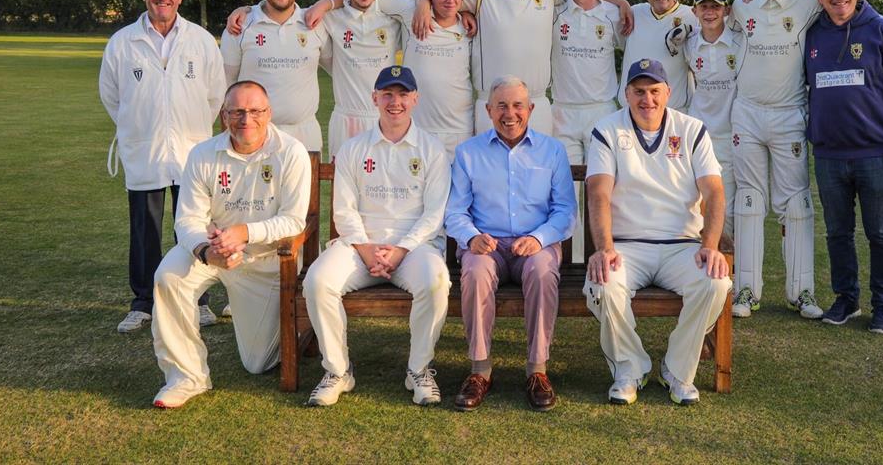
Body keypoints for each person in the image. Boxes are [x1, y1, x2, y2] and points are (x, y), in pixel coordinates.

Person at [150, 81, 311, 408]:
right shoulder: (202, 154)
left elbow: (294, 220)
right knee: (168, 276)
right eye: (237, 111)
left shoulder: (290, 152)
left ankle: (274, 322)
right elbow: (188, 219)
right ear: (223, 115)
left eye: (255, 111)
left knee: (257, 364)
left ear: (269, 113)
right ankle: (186, 376)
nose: (246, 119)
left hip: (265, 262)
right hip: (214, 251)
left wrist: (244, 233)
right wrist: (208, 252)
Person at [584, 59, 731, 407]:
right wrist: (604, 248)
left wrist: (710, 246)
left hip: (682, 245)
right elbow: (599, 193)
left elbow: (714, 193)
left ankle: (677, 370)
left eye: (654, 91)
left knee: (716, 282)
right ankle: (629, 369)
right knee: (603, 284)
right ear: (626, 94)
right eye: (639, 92)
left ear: (668, 92)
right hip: (627, 246)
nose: (646, 99)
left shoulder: (692, 129)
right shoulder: (607, 129)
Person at [302, 65, 452, 406]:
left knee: (435, 281)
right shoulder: (354, 148)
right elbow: (344, 209)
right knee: (317, 281)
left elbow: (434, 214)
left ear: (415, 99)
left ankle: (418, 369)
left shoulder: (432, 150)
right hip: (360, 247)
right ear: (375, 98)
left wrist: (401, 250)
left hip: (414, 249)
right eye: (387, 94)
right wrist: (367, 250)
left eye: (402, 94)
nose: (394, 102)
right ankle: (338, 371)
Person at [99, 0, 226, 333]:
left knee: (192, 227)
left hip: (191, 151)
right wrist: (138, 126)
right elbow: (112, 96)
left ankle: (197, 299)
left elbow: (215, 94)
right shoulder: (123, 42)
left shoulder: (200, 40)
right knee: (145, 231)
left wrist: (193, 130)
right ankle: (143, 303)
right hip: (146, 152)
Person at [445, 76, 577, 411]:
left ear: (531, 109)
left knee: (544, 271)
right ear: (488, 110)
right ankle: (480, 370)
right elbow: (455, 211)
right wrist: (472, 237)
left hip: (534, 245)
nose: (510, 113)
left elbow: (565, 211)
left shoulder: (552, 151)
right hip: (487, 247)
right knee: (474, 272)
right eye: (501, 105)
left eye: (518, 105)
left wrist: (538, 239)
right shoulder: (468, 153)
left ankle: (537, 370)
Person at [413, 0, 632, 136]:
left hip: (536, 104)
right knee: (492, 174)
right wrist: (424, 1)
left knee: (538, 175)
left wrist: (621, 3)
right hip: (491, 104)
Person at [805, 0, 883, 334]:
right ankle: (846, 299)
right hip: (829, 153)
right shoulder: (811, 33)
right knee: (837, 233)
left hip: (874, 152)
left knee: (881, 233)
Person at [728, 0, 824, 320]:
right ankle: (746, 291)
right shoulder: (742, 5)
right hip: (748, 114)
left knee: (796, 204)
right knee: (749, 202)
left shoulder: (807, 4)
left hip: (788, 115)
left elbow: (844, 1)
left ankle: (802, 292)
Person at [551, 0, 625, 261]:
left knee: (604, 188)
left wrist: (620, 3)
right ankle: (572, 262)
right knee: (567, 192)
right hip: (564, 111)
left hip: (601, 110)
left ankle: (605, 255)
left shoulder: (613, 14)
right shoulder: (553, 8)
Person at [220, 0, 330, 153]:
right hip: (255, 132)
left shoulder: (314, 22)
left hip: (305, 133)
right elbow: (226, 86)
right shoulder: (240, 26)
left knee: (305, 186)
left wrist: (326, 3)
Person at [682, 0, 741, 236]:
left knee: (726, 208)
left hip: (731, 134)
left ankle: (729, 268)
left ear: (726, 10)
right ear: (694, 11)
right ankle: (698, 266)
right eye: (704, 7)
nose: (710, 12)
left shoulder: (739, 40)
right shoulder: (688, 43)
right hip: (699, 134)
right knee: (695, 205)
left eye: (715, 7)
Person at [399, 0, 474, 156]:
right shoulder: (411, 14)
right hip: (417, 129)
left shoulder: (472, 26)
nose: (450, 0)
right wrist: (325, 4)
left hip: (460, 131)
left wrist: (468, 13)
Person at [618, 0, 694, 111]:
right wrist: (620, 2)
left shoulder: (693, 16)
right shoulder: (632, 13)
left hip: (674, 113)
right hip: (631, 113)